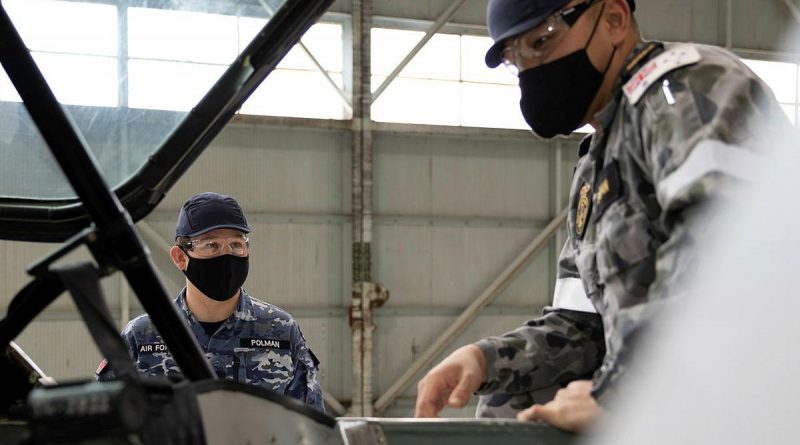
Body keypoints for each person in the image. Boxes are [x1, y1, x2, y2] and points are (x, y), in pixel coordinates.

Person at [415, 0, 793, 431]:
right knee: (510, 402)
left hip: (749, 407)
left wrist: (623, 398)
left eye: (542, 42)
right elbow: (583, 326)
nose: (531, 70)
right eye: (515, 59)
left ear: (613, 20)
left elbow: (734, 264)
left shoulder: (689, 89)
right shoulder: (596, 166)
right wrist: (486, 359)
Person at [97, 192, 324, 412]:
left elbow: (313, 428)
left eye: (237, 244)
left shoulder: (281, 331)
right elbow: (104, 425)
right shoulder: (141, 335)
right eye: (211, 245)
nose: (227, 256)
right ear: (180, 257)